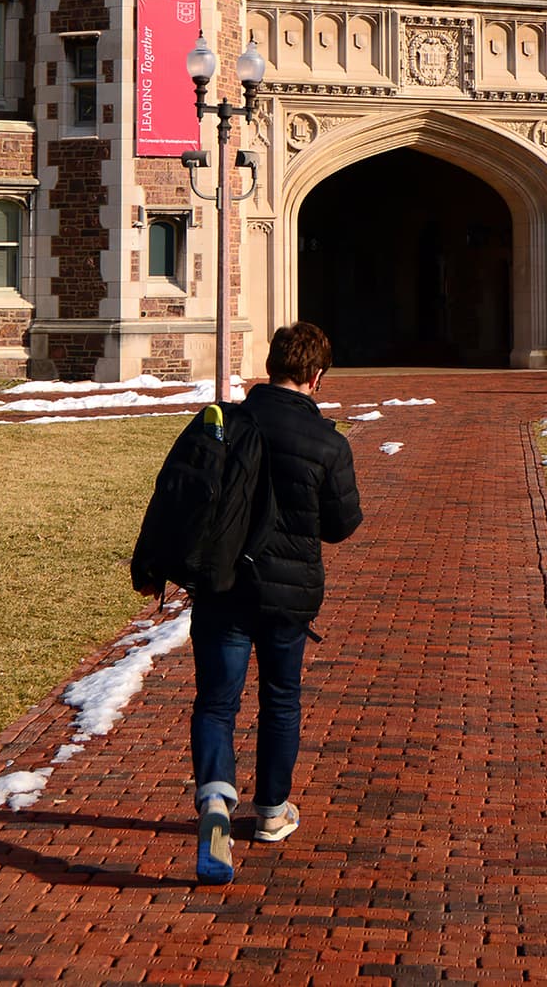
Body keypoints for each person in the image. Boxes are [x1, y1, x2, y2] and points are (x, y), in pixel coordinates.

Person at [190, 320, 362, 885]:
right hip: (288, 596)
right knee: (280, 700)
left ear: (270, 366)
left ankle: (216, 802)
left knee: (217, 702)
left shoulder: (224, 424)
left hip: (222, 586)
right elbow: (341, 526)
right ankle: (270, 811)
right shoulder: (326, 442)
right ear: (316, 376)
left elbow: (183, 498)